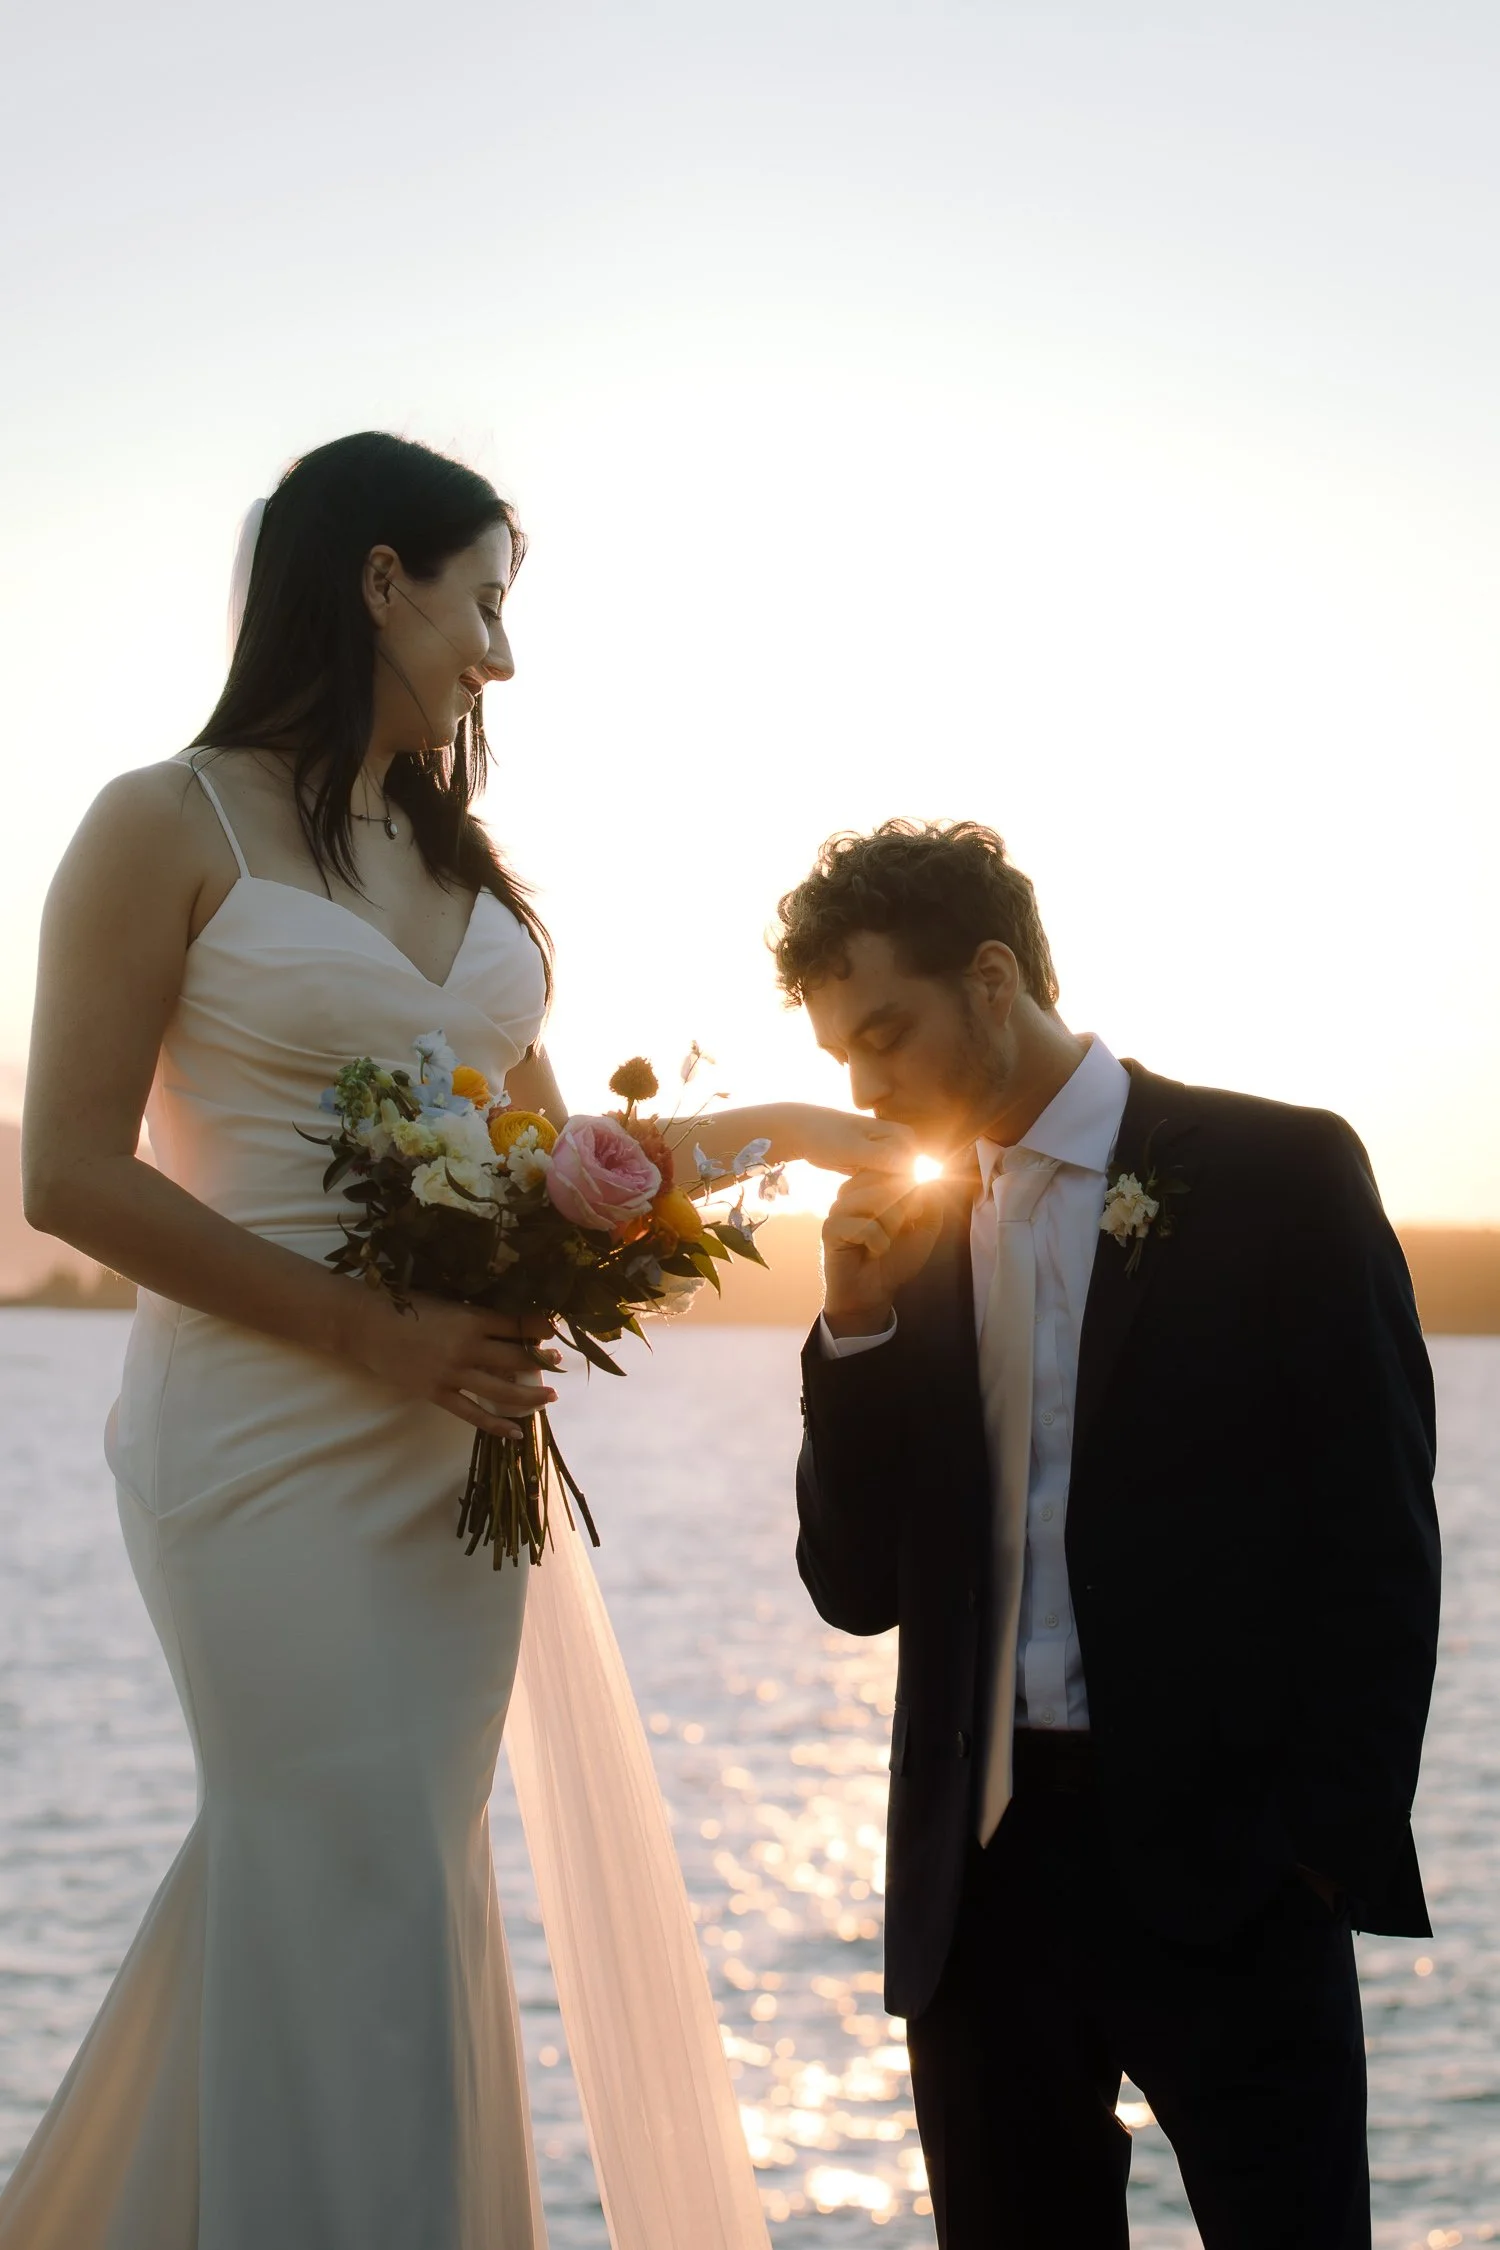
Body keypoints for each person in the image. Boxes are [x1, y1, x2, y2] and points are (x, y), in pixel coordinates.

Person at [0, 432, 912, 2250]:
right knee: (340, 1868)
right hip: (261, 1442)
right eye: (485, 600)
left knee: (378, 1880)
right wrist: (369, 1327)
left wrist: (807, 1134)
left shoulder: (462, 861)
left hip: (452, 1458)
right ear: (379, 581)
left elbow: (571, 1169)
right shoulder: (159, 821)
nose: (502, 654)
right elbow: (70, 1175)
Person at [778, 819, 1439, 2250]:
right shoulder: (905, 1230)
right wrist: (852, 1325)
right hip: (982, 1901)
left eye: (886, 1032)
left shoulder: (1281, 1174)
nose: (867, 1086)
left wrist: (1317, 1853)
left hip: (1237, 1883)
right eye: (845, 1054)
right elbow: (855, 1588)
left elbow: (1379, 1540)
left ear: (996, 976)